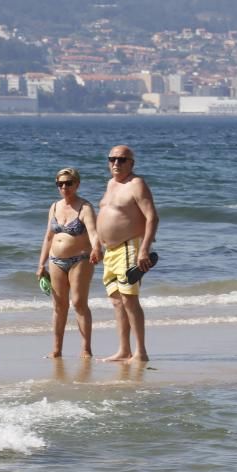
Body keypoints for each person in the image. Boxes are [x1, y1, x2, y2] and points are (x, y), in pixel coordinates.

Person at [96, 145, 159, 362]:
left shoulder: (136, 184)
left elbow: (152, 217)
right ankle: (124, 350)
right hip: (110, 250)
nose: (116, 163)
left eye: (122, 160)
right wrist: (97, 245)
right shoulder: (110, 184)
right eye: (112, 159)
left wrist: (144, 249)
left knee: (129, 299)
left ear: (131, 163)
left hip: (128, 246)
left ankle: (140, 352)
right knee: (116, 300)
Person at [36, 168, 101, 358]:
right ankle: (57, 349)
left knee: (79, 303)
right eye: (60, 184)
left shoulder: (85, 208)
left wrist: (97, 248)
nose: (64, 187)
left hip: (80, 260)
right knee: (59, 305)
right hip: (55, 261)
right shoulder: (54, 207)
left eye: (68, 183)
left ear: (77, 184)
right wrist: (41, 264)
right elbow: (48, 237)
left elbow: (94, 233)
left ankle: (86, 349)